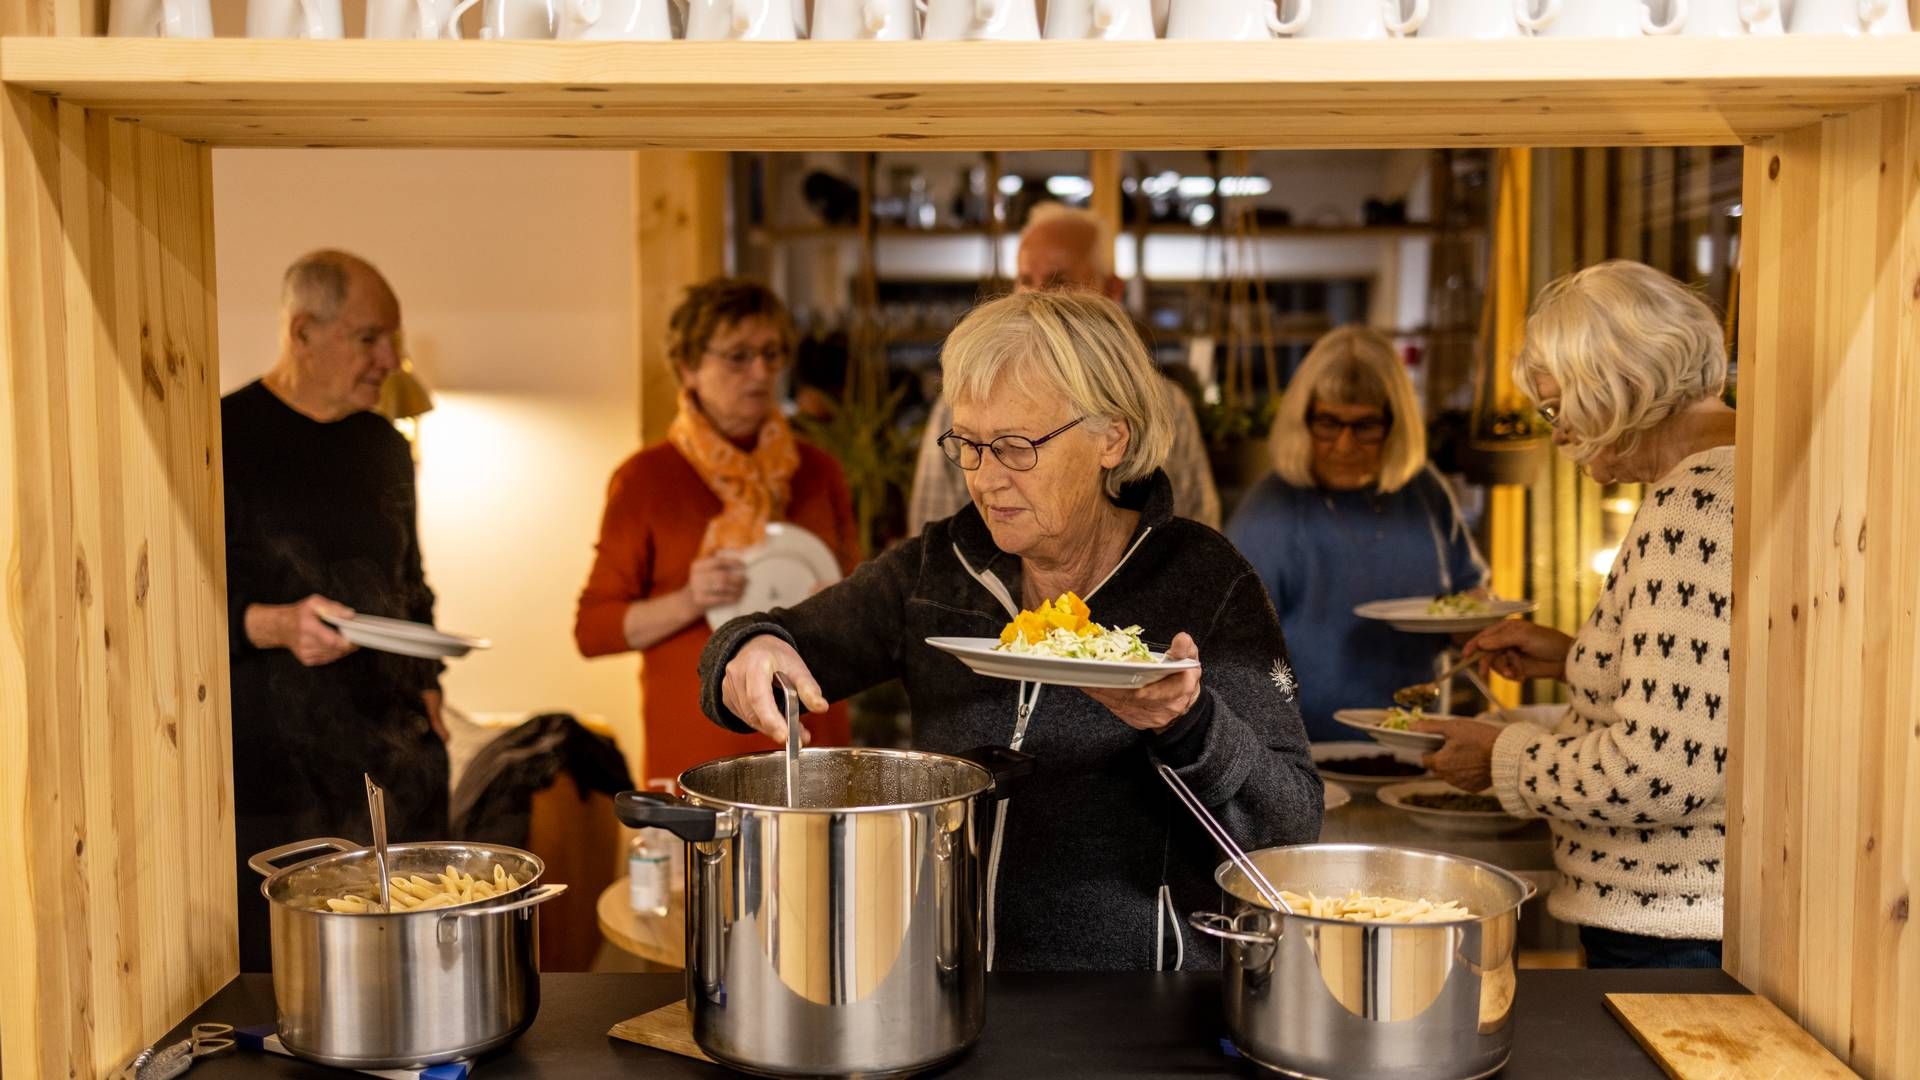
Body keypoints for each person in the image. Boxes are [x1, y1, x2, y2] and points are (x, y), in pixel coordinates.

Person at [699, 290, 1322, 972]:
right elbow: (774, 639)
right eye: (967, 444)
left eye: (1015, 447)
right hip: (948, 986)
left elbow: (1289, 824)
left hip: (1140, 1011)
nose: (984, 479)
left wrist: (1187, 723)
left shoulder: (1205, 582)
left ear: (1111, 437)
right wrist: (753, 648)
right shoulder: (940, 568)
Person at [1417, 261, 1736, 969]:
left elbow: (1660, 769)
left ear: (1621, 386)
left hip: (1673, 929)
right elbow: (1712, 690)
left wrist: (1501, 757)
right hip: (1688, 920)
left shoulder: (1696, 505)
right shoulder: (1728, 476)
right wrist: (1577, 657)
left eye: (1560, 409)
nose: (1559, 438)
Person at [224, 250, 448, 971]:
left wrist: (431, 682)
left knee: (405, 964)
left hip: (391, 759)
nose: (391, 359)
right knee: (283, 982)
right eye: (369, 339)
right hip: (270, 771)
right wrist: (273, 624)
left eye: (393, 339)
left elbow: (409, 582)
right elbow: (164, 607)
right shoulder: (218, 438)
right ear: (302, 331)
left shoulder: (384, 445)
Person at [575, 278, 859, 788]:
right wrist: (690, 599)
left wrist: (838, 605)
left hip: (813, 740)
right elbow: (593, 630)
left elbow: (866, 604)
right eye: (738, 356)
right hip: (701, 751)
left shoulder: (819, 471)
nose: (760, 372)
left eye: (772, 354)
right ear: (689, 366)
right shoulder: (646, 479)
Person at [1225, 326, 1487, 742]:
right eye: (1329, 423)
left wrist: (1482, 625)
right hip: (1305, 755)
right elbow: (1234, 653)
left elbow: (1467, 597)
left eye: (1365, 426)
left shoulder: (1424, 491)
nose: (1345, 445)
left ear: (1395, 425)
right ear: (1303, 419)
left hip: (1415, 740)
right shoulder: (1272, 510)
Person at [906, 203, 1221, 533]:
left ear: (1112, 289)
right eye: (1026, 280)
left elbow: (1196, 539)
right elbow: (931, 545)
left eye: (1059, 282)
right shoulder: (966, 405)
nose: (1038, 297)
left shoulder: (1165, 405)